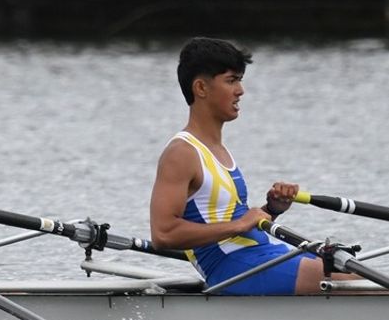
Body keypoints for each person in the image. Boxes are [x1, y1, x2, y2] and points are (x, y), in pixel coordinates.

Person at [149, 37, 356, 295]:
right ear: (201, 88)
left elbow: (234, 219)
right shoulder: (181, 153)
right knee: (359, 283)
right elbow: (163, 234)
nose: (241, 90)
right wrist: (240, 224)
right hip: (235, 269)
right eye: (231, 80)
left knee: (358, 273)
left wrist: (271, 210)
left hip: (263, 256)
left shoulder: (217, 150)